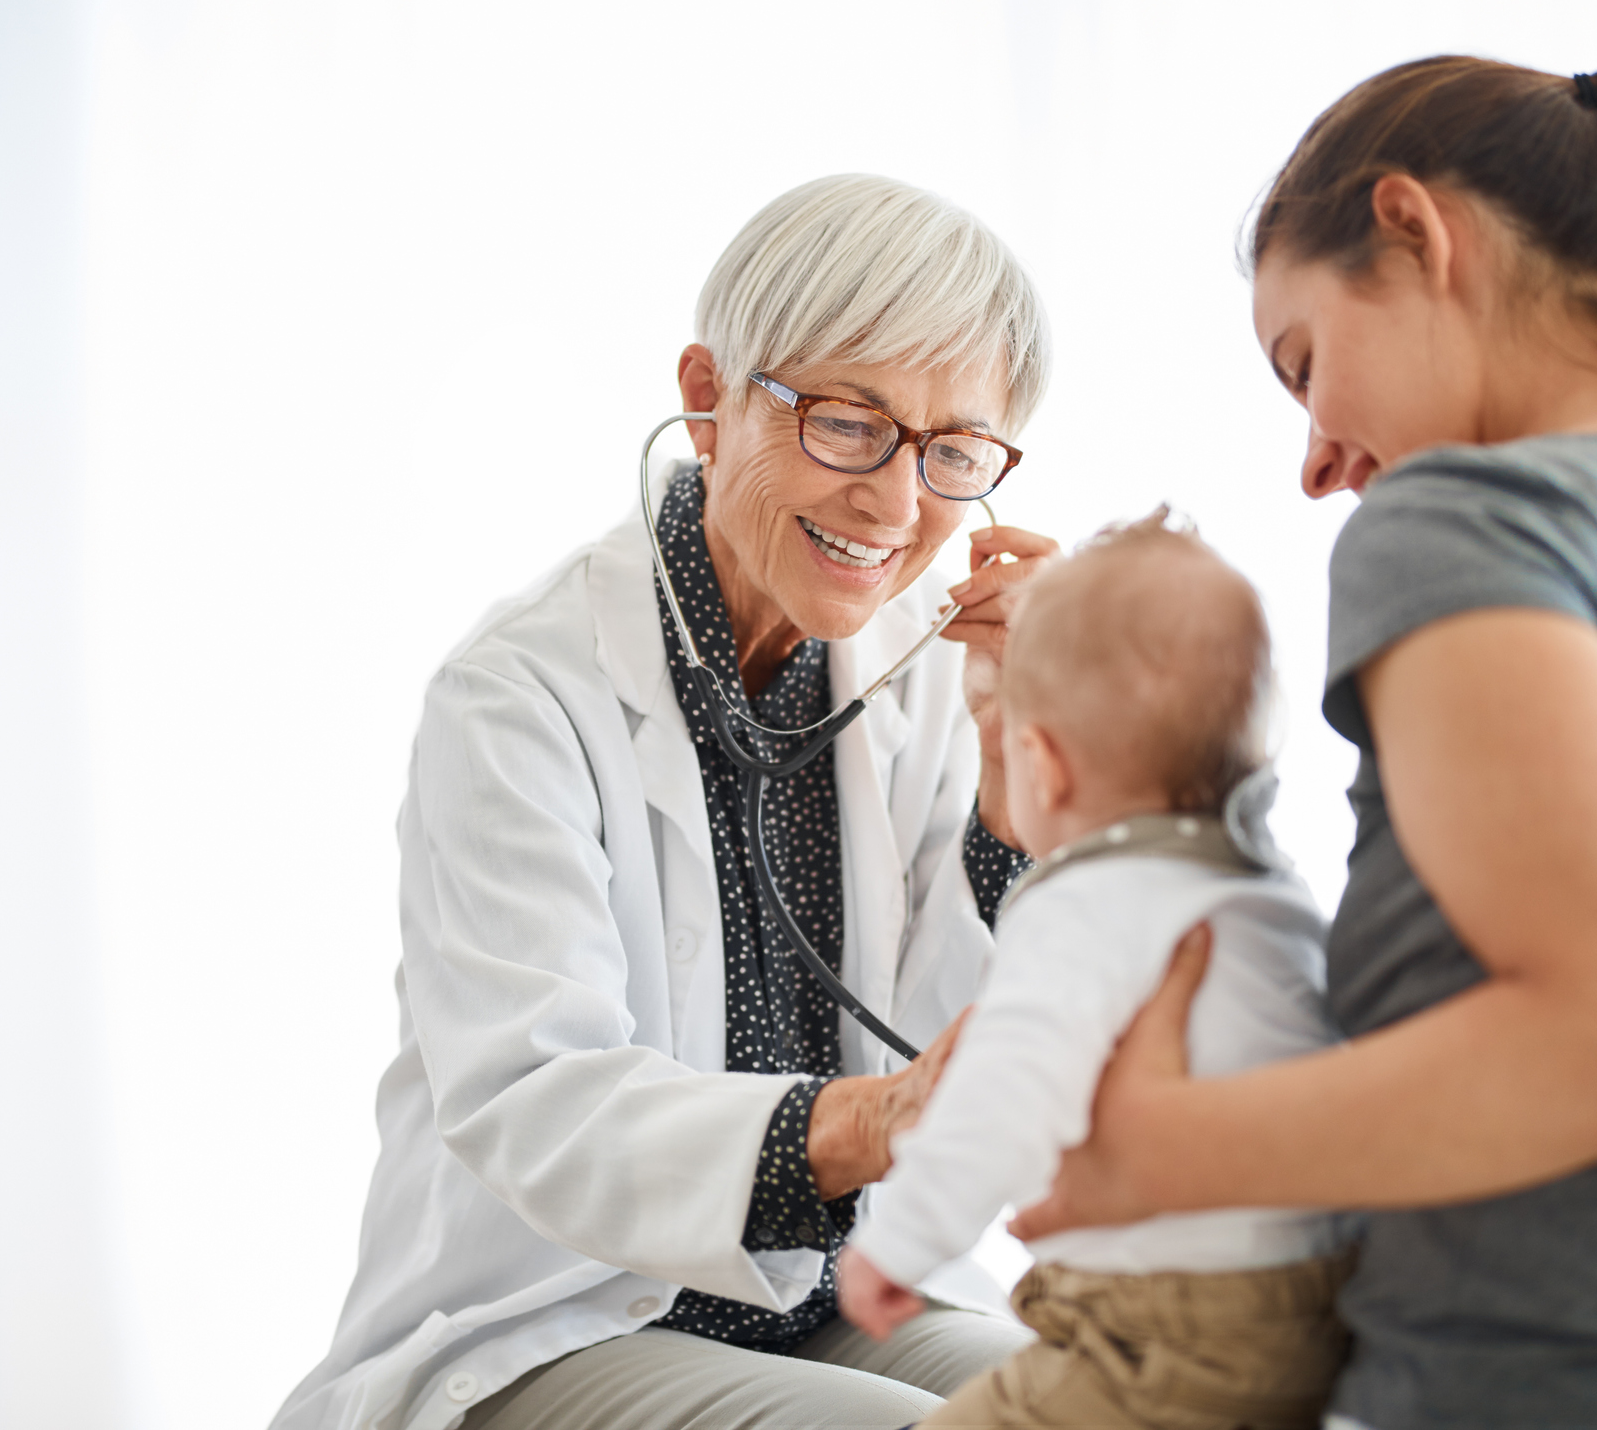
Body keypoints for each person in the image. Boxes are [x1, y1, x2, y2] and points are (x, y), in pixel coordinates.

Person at [1006, 56, 1597, 1430]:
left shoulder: (1466, 518)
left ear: (1411, 232)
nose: (1312, 460)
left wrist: (1158, 1148)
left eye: (1302, 363)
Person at [270, 174, 1063, 1430]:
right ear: (707, 398)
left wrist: (1029, 788)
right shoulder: (520, 696)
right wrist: (872, 1122)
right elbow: (541, 1107)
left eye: (954, 454)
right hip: (558, 1318)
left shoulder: (931, 678)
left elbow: (963, 1057)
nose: (899, 505)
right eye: (849, 425)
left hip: (836, 1297)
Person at [838, 515, 1355, 1430]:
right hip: (1315, 1314)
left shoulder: (1084, 904)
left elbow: (1000, 1092)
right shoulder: (1269, 895)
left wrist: (898, 1246)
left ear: (1039, 760)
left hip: (1159, 1327)